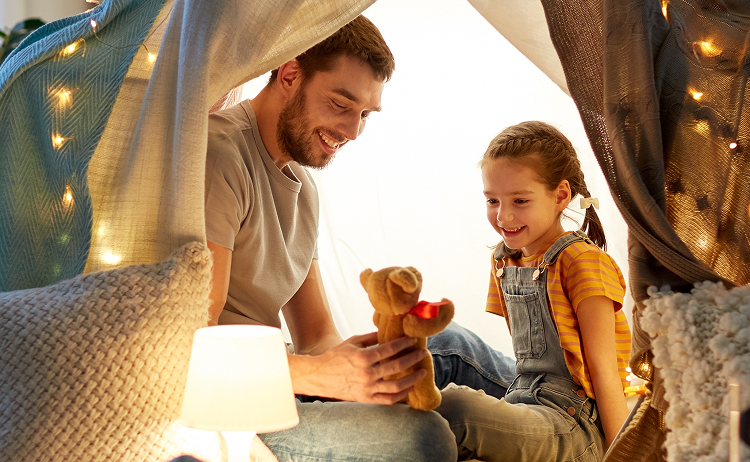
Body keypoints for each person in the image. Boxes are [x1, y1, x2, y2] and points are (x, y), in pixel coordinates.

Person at [202, 15, 515, 462]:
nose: (352, 132)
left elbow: (315, 334)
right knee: (426, 439)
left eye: (365, 114)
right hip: (239, 403)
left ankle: (570, 411)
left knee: (452, 346)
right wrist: (316, 376)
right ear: (290, 74)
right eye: (341, 104)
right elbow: (194, 344)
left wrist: (362, 366)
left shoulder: (303, 187)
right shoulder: (222, 157)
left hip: (287, 379)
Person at [435, 121, 632, 461]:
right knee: (442, 341)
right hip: (524, 399)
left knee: (455, 406)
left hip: (575, 424)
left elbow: (604, 371)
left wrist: (624, 457)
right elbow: (528, 366)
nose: (504, 215)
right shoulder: (504, 260)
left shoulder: (583, 263)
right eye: (492, 200)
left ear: (560, 196)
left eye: (520, 200)